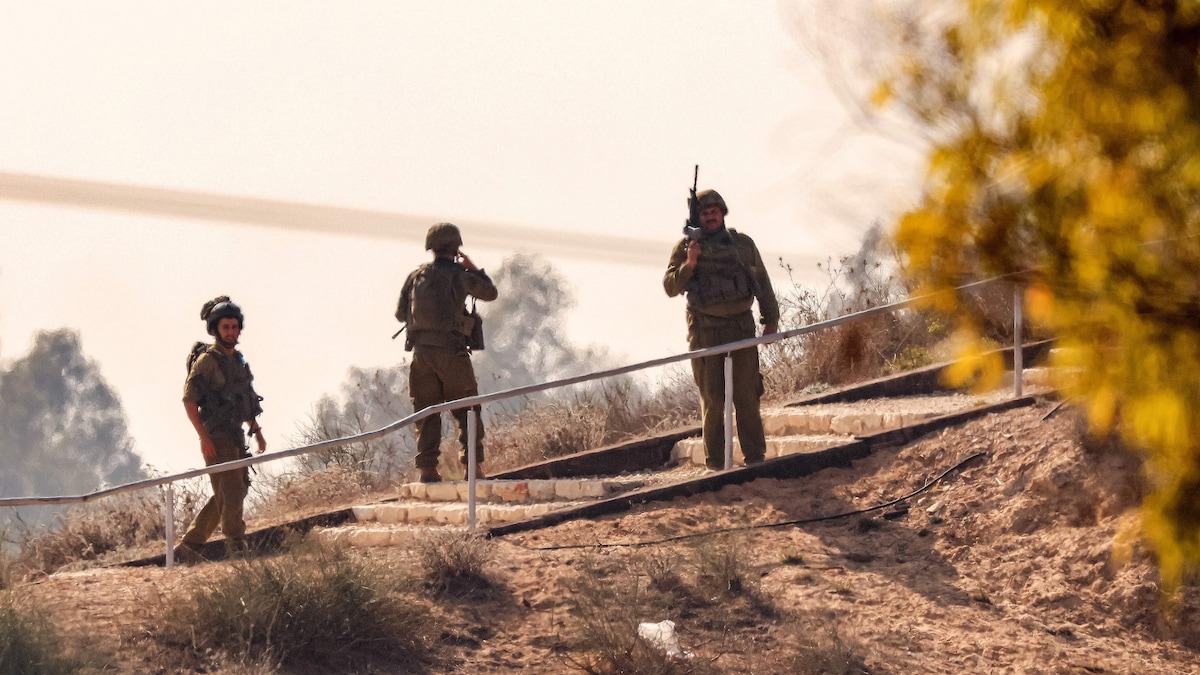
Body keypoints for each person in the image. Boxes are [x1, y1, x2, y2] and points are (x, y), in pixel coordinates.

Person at [663, 189, 780, 470]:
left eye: (715, 211)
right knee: (713, 400)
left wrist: (770, 320)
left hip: (741, 327)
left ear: (723, 213)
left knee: (747, 396)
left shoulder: (742, 245)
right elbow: (670, 287)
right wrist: (690, 263)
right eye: (705, 213)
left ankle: (755, 458)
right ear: (697, 217)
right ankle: (715, 462)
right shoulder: (686, 247)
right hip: (706, 331)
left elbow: (761, 281)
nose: (711, 216)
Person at [396, 223, 499, 483]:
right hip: (452, 354)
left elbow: (399, 314)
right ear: (456, 248)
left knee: (426, 412)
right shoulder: (459, 274)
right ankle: (472, 469)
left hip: (421, 356)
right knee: (467, 410)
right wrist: (474, 269)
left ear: (430, 247)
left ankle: (428, 472)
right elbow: (490, 293)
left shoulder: (416, 275)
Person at [175, 296, 266, 562]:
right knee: (232, 492)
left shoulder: (237, 360)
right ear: (215, 330)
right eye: (225, 327)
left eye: (234, 327)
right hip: (216, 436)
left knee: (235, 489)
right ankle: (237, 551)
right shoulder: (207, 361)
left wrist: (257, 431)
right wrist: (203, 438)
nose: (230, 332)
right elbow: (189, 401)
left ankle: (190, 545)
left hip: (236, 434)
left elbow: (245, 399)